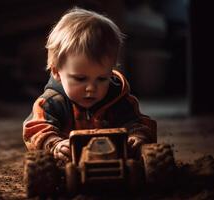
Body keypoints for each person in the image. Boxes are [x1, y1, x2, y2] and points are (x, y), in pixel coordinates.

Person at [23, 7, 156, 162]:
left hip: (115, 157)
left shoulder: (119, 99)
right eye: (80, 79)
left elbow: (137, 123)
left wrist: (137, 136)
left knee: (147, 160)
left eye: (102, 79)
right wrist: (54, 144)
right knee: (43, 166)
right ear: (57, 72)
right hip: (69, 161)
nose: (91, 88)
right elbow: (36, 130)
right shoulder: (51, 103)